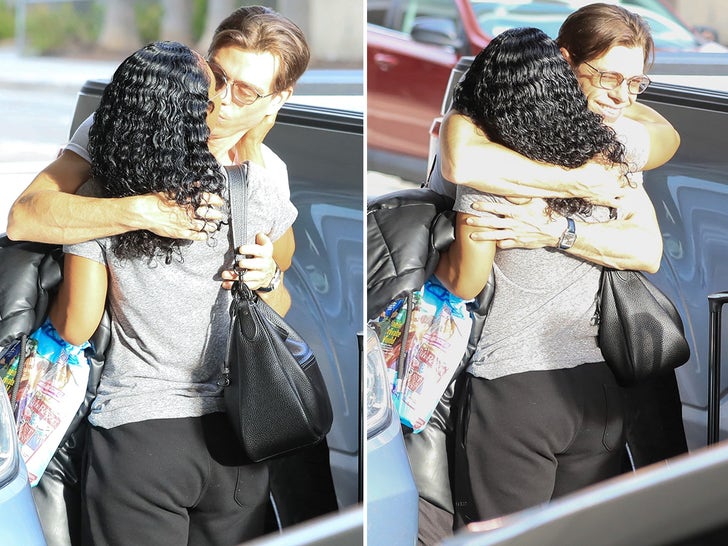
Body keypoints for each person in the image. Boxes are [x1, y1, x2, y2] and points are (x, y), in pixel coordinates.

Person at [8, 5, 338, 543]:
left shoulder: (265, 174)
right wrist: (141, 210)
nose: (218, 100)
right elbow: (25, 215)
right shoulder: (126, 129)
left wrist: (269, 278)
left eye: (245, 93)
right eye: (217, 75)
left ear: (279, 99)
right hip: (214, 439)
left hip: (202, 429)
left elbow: (276, 307)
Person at [432, 24, 665, 525]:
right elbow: (648, 250)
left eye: (635, 84)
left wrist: (433, 258)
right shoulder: (611, 154)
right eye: (608, 78)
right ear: (563, 69)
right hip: (601, 389)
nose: (621, 96)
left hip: (513, 393)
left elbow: (465, 282)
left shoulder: (493, 169)